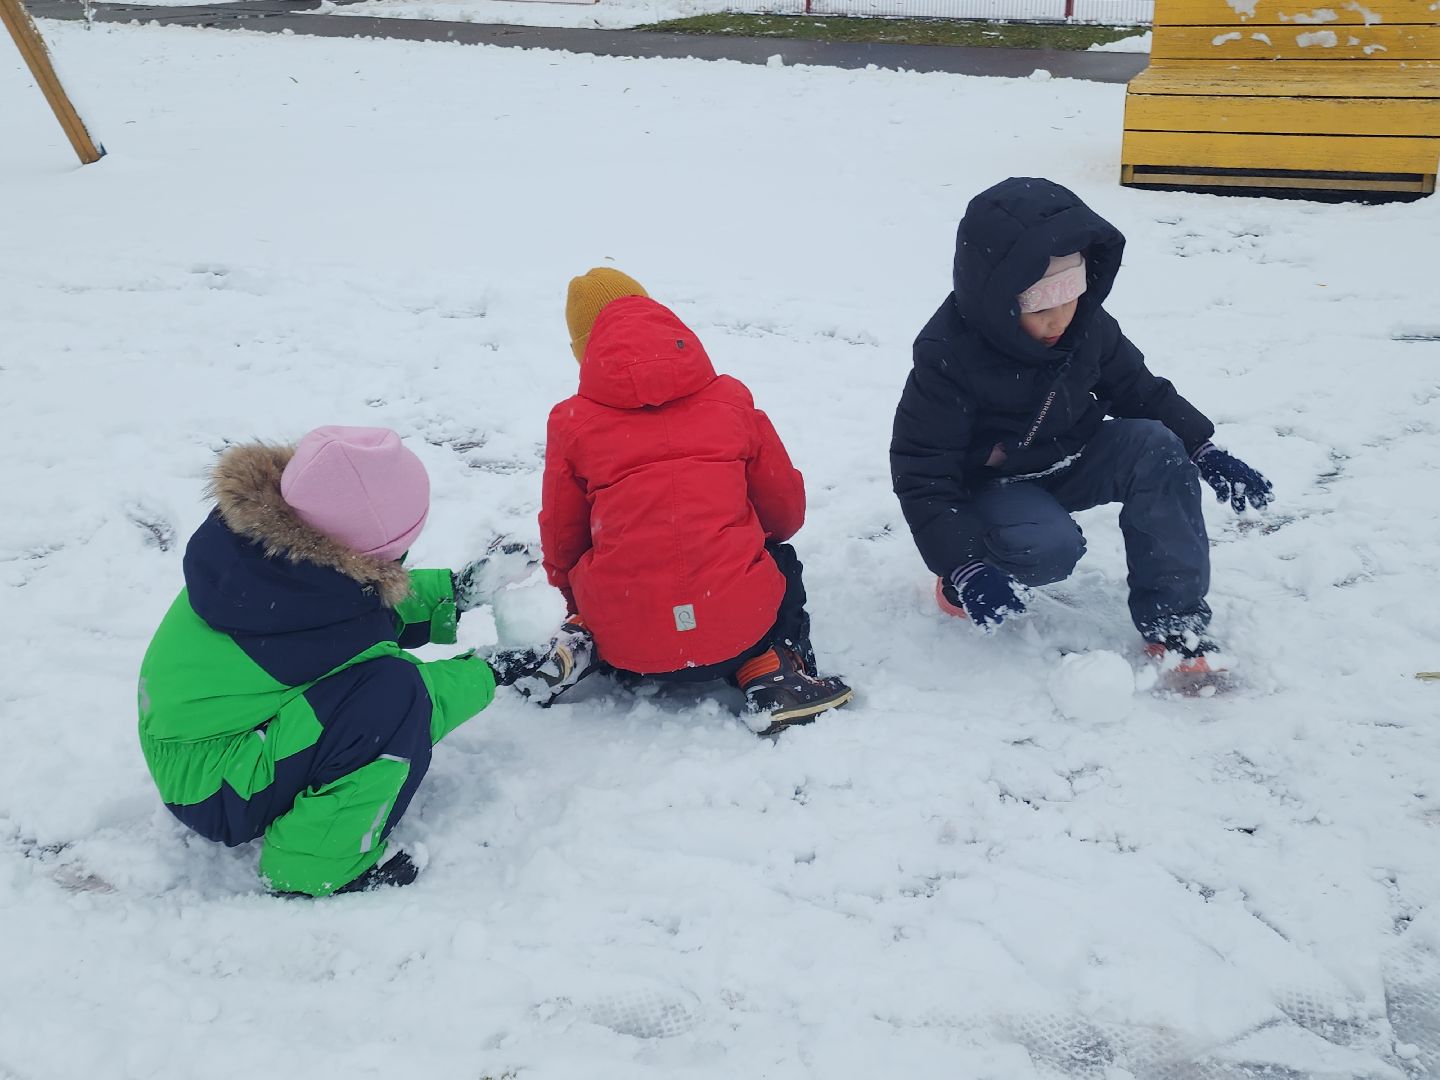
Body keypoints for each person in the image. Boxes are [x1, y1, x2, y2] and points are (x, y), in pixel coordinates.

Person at [136, 425, 588, 897]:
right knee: (394, 700)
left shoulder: (269, 566)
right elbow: (404, 700)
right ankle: (313, 863)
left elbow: (356, 609)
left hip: (199, 745)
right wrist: (490, 669)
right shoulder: (312, 608)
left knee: (377, 688)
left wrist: (456, 591)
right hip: (217, 787)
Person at [890, 177, 1273, 682]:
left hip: (1069, 459)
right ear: (998, 300)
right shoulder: (948, 357)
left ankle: (1174, 620)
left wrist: (1202, 448)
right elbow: (923, 472)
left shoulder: (1087, 326)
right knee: (1050, 548)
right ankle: (971, 576)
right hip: (994, 486)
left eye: (1070, 298)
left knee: (1156, 447)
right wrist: (963, 564)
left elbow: (1141, 391)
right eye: (1041, 307)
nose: (1060, 319)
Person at [538, 268, 852, 735]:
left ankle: (584, 641)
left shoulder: (572, 422)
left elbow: (564, 534)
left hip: (630, 642)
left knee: (608, 580)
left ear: (585, 352)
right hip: (740, 631)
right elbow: (783, 509)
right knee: (780, 560)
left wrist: (575, 597)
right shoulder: (729, 398)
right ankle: (770, 671)